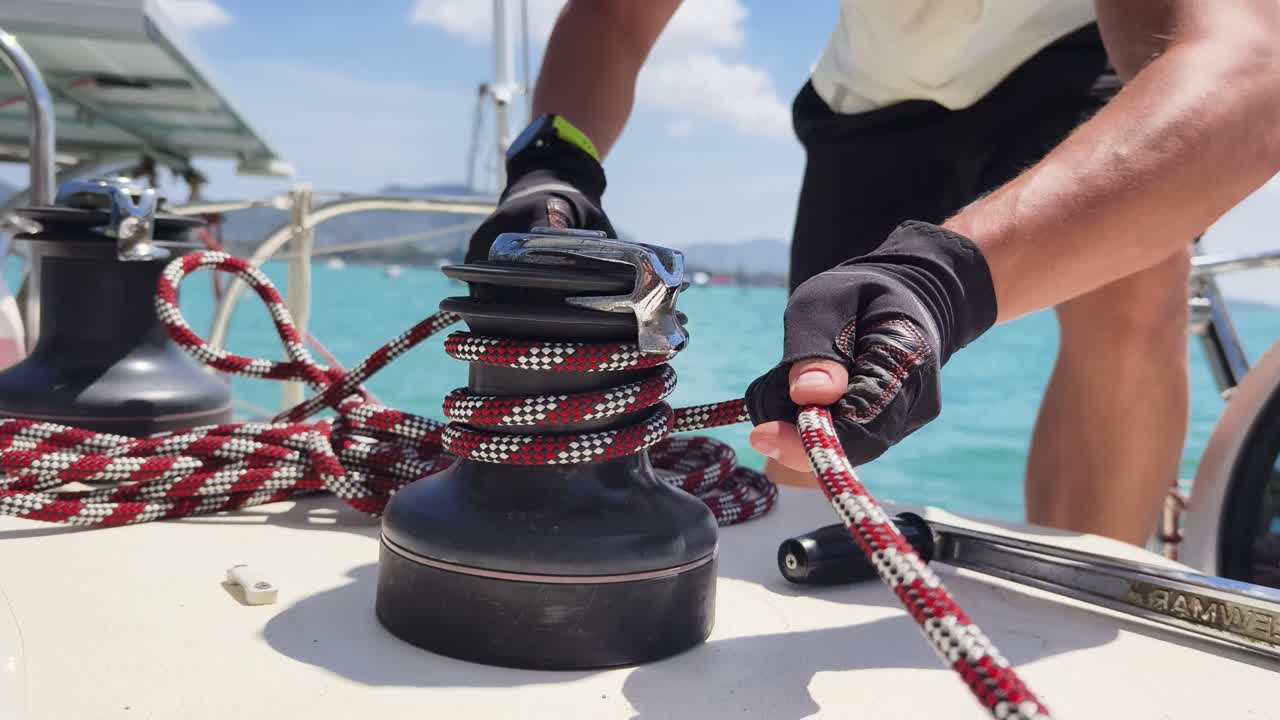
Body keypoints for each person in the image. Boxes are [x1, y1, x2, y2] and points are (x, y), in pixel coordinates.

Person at [466, 1, 1280, 546]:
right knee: (808, 411)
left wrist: (939, 284)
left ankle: (1082, 581)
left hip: (1071, 53)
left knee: (1133, 290)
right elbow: (614, 17)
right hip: (874, 93)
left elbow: (1250, 78)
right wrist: (555, 162)